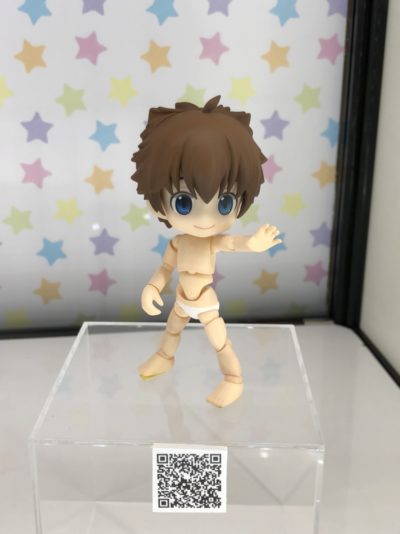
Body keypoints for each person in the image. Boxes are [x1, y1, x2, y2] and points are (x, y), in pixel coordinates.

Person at [130, 94, 281, 408]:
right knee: (171, 332)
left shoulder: (211, 241)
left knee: (220, 343)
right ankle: (164, 358)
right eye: (183, 202)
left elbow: (233, 243)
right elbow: (165, 269)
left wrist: (252, 244)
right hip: (182, 300)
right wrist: (152, 287)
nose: (204, 219)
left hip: (205, 303)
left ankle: (233, 379)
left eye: (224, 203)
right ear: (155, 199)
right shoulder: (178, 243)